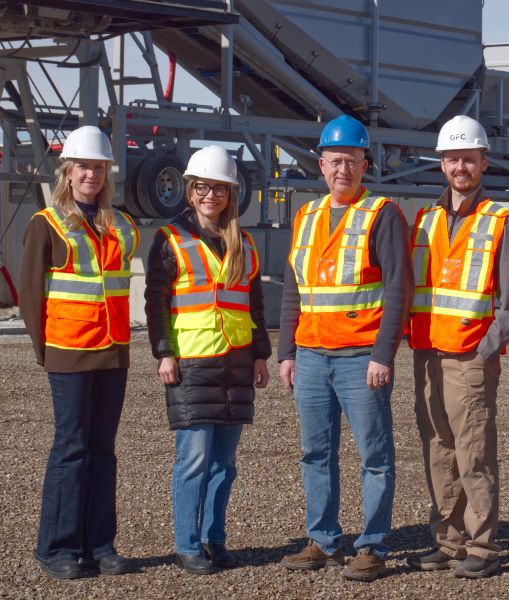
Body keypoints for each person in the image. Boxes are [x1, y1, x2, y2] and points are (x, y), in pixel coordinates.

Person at [277, 115, 412, 582]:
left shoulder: (383, 214)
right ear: (321, 164)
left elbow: (398, 289)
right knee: (315, 453)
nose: (343, 170)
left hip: (360, 358)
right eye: (335, 161)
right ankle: (323, 539)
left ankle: (372, 545)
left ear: (364, 165)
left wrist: (383, 355)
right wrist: (287, 352)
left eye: (352, 161)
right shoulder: (306, 216)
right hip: (311, 355)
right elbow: (294, 288)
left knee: (374, 456)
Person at [406, 115, 509, 579]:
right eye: (453, 159)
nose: (461, 167)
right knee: (438, 450)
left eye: (469, 159)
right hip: (427, 355)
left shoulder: (501, 221)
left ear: (483, 163)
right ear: (442, 164)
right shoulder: (426, 219)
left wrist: (486, 349)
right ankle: (448, 540)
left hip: (469, 358)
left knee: (473, 452)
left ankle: (483, 545)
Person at [19, 125, 139, 579]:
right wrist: (46, 351)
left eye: (99, 167)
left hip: (113, 351)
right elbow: (31, 295)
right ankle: (57, 548)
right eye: (84, 166)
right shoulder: (46, 223)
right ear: (67, 171)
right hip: (68, 351)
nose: (92, 174)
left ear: (107, 173)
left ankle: (100, 544)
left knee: (103, 448)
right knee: (71, 447)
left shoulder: (121, 225)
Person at [144, 144, 270, 575]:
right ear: (190, 190)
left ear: (230, 193)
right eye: (202, 187)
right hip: (192, 362)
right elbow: (156, 302)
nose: (210, 195)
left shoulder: (244, 243)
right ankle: (187, 543)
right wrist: (164, 353)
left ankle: (215, 539)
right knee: (194, 460)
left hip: (236, 361)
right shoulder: (170, 239)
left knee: (225, 464)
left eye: (219, 188)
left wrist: (260, 355)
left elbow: (254, 303)